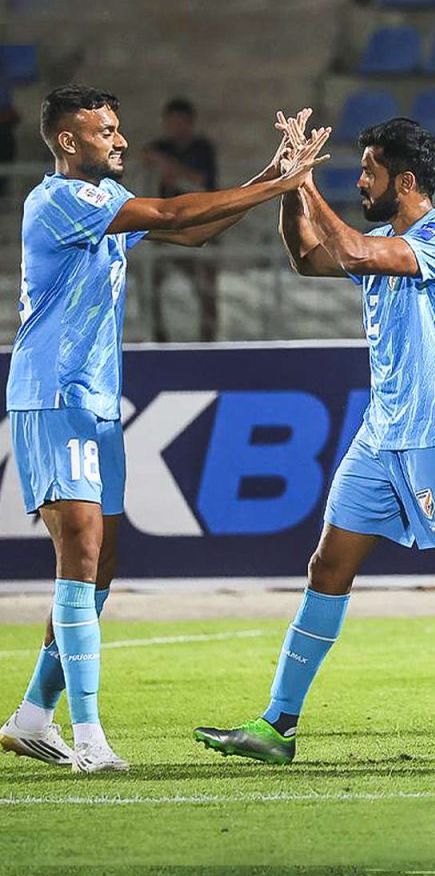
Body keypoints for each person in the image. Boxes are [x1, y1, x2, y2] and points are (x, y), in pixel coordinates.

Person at [194, 115, 435, 766]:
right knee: (327, 566)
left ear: (407, 180)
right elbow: (309, 258)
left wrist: (307, 186)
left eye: (369, 171)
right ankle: (278, 724)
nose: (361, 181)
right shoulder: (375, 237)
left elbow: (357, 254)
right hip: (381, 430)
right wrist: (288, 187)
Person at [0, 85, 329, 774]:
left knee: (103, 565)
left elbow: (193, 228)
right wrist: (281, 185)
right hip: (53, 395)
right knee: (82, 555)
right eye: (107, 131)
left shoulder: (104, 207)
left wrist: (276, 172)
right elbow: (179, 208)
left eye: (119, 129)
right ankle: (88, 737)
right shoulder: (59, 200)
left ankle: (32, 716)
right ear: (69, 141)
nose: (120, 140)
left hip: (96, 400)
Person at [142, 97, 219, 341]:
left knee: (206, 286)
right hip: (168, 228)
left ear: (190, 122)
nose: (176, 127)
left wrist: (172, 169)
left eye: (180, 122)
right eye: (171, 122)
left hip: (201, 225)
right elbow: (145, 156)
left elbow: (200, 181)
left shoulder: (202, 149)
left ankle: (209, 342)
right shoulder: (161, 146)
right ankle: (158, 339)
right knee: (150, 281)